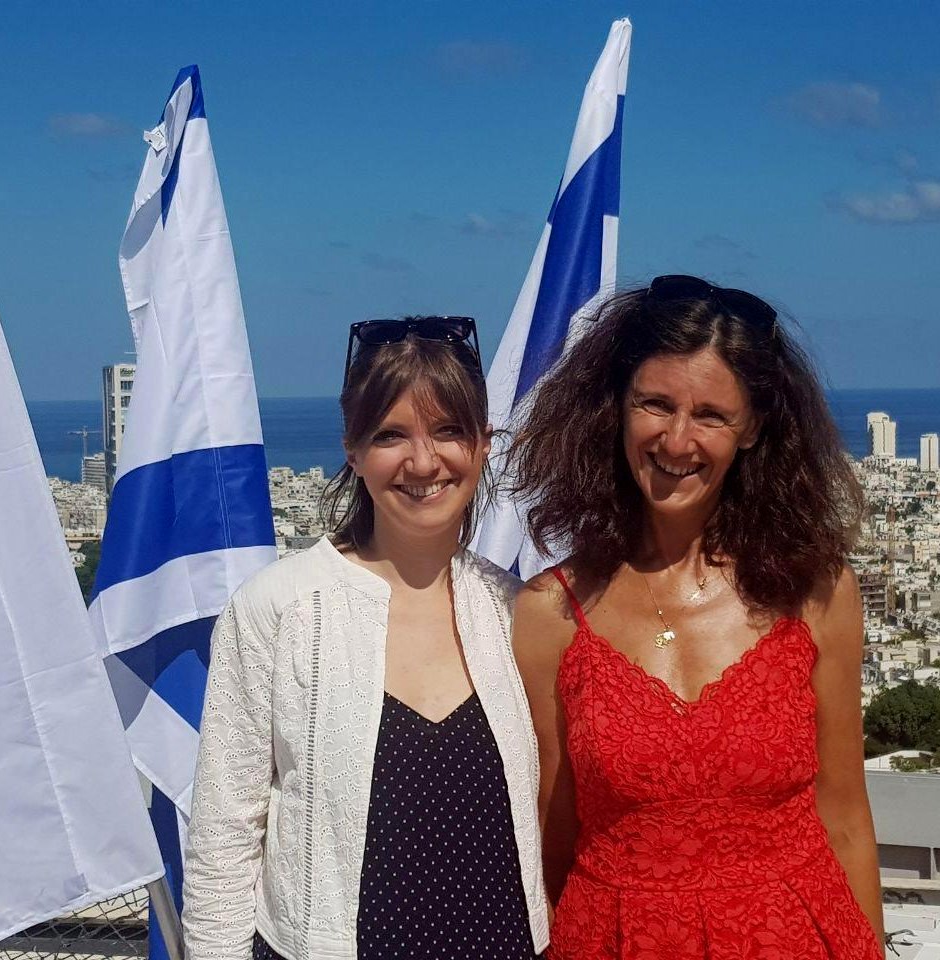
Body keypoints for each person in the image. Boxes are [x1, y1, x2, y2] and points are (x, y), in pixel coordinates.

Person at [511, 277, 884, 958]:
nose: (677, 440)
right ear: (616, 407)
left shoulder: (815, 593)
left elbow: (846, 818)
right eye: (655, 404)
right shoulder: (550, 614)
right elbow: (551, 835)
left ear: (753, 429)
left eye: (711, 415)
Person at [181, 316, 549, 960]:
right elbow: (224, 841)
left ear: (484, 444)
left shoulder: (518, 612)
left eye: (448, 431)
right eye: (390, 435)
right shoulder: (279, 609)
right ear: (352, 451)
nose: (423, 461)